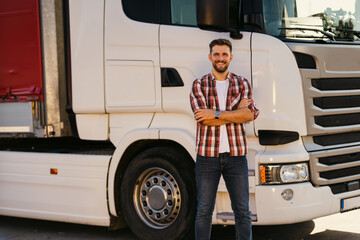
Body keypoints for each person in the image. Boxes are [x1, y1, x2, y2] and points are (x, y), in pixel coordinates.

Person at [189, 38, 259, 240]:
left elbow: (248, 115)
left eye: (224, 54)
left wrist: (216, 114)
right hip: (207, 157)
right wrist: (234, 113)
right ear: (210, 57)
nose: (220, 58)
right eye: (217, 54)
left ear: (231, 57)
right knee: (203, 212)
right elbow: (203, 120)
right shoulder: (199, 84)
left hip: (236, 157)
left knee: (243, 212)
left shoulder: (242, 83)